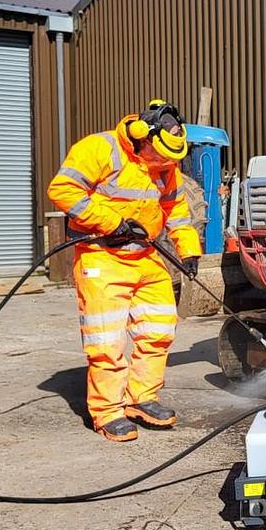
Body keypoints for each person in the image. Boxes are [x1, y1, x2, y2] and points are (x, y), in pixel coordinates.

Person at [47, 100, 202, 442]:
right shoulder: (100, 149)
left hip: (145, 256)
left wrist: (189, 250)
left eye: (170, 160)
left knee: (159, 329)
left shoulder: (166, 167)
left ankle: (142, 398)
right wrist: (113, 222)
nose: (165, 165)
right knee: (106, 340)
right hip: (102, 256)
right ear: (141, 136)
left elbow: (175, 209)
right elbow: (61, 190)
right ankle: (107, 412)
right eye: (160, 157)